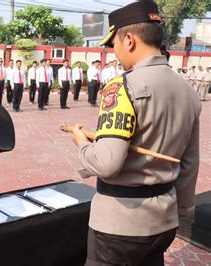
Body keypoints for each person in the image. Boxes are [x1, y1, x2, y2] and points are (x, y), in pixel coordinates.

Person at [71, 2, 201, 265]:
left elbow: (108, 163)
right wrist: (182, 210)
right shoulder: (187, 90)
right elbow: (189, 162)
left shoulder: (121, 87)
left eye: (114, 44)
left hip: (120, 224)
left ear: (129, 40)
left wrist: (82, 144)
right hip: (164, 219)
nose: (114, 52)